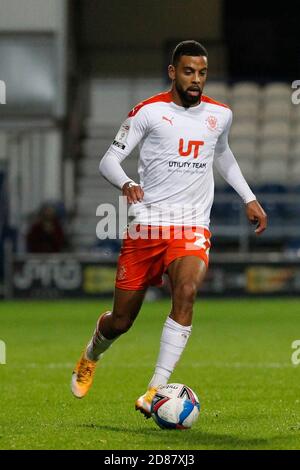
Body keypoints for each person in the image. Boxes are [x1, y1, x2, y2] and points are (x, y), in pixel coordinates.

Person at [71, 40, 267, 417]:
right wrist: (126, 183)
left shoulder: (220, 115)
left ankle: (155, 389)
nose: (197, 80)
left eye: (203, 73)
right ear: (173, 72)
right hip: (146, 229)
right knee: (122, 321)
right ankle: (92, 351)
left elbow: (222, 154)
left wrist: (248, 197)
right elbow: (109, 160)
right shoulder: (148, 112)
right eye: (189, 72)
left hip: (191, 227)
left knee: (188, 290)